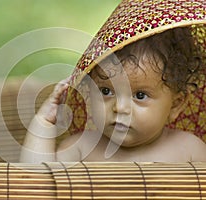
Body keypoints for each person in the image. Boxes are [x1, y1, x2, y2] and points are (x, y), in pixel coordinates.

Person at [20, 0, 206, 163]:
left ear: (176, 105)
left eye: (140, 95)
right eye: (106, 91)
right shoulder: (82, 148)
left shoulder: (188, 150)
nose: (120, 107)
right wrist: (43, 123)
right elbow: (35, 185)